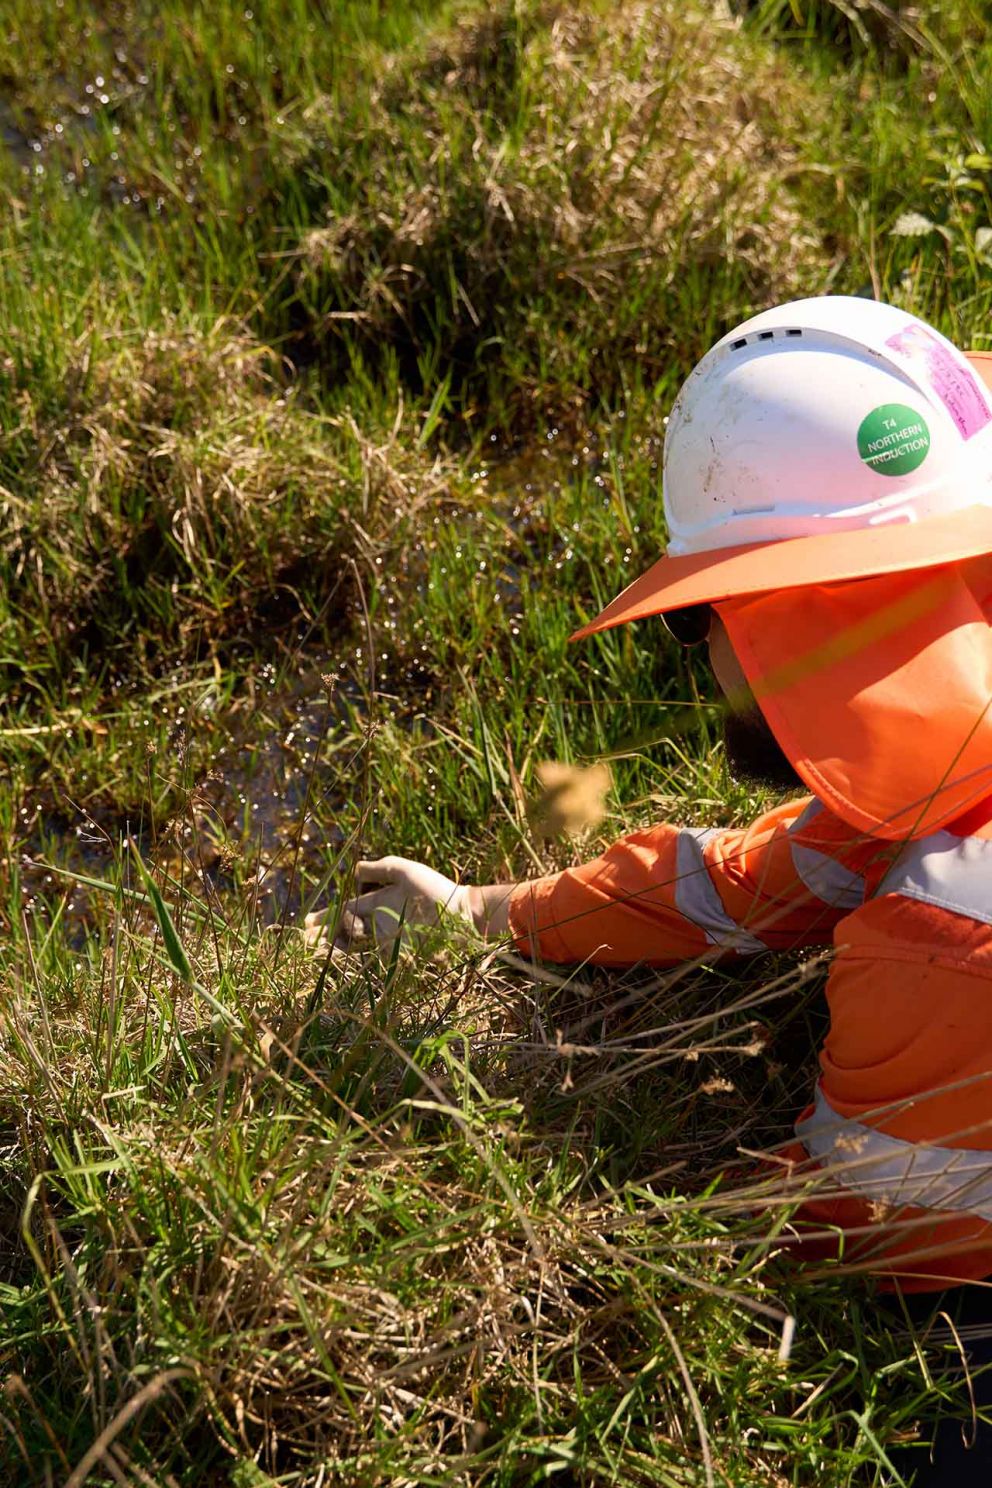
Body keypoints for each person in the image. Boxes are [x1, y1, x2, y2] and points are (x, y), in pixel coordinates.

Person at [305, 296, 992, 1482]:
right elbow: (773, 878)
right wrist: (483, 912)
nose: (704, 660)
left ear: (793, 619)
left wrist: (539, 1241)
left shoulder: (936, 935)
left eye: (700, 620)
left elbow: (854, 1222)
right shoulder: (941, 784)